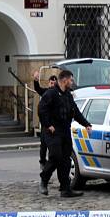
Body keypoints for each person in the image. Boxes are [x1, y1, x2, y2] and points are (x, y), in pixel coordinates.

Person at [38, 69, 92, 197]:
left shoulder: (68, 95)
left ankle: (65, 189)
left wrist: (86, 124)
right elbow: (41, 109)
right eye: (71, 80)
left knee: (66, 160)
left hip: (65, 130)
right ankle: (44, 180)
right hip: (52, 131)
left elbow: (76, 112)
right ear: (64, 80)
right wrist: (48, 125)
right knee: (56, 156)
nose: (72, 82)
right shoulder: (51, 94)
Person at [33, 70, 58, 172]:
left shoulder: (58, 93)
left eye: (54, 84)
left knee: (52, 147)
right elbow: (38, 89)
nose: (52, 85)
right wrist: (35, 80)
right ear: (48, 83)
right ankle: (42, 162)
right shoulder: (46, 92)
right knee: (43, 146)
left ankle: (49, 167)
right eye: (51, 83)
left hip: (54, 125)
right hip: (45, 125)